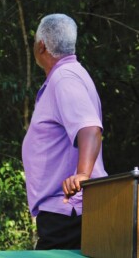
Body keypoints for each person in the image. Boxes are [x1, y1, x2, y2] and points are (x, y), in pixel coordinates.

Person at [22, 13, 107, 250]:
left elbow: (90, 128)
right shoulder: (71, 74)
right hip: (69, 210)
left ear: (41, 46)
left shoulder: (64, 78)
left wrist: (82, 174)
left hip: (68, 210)